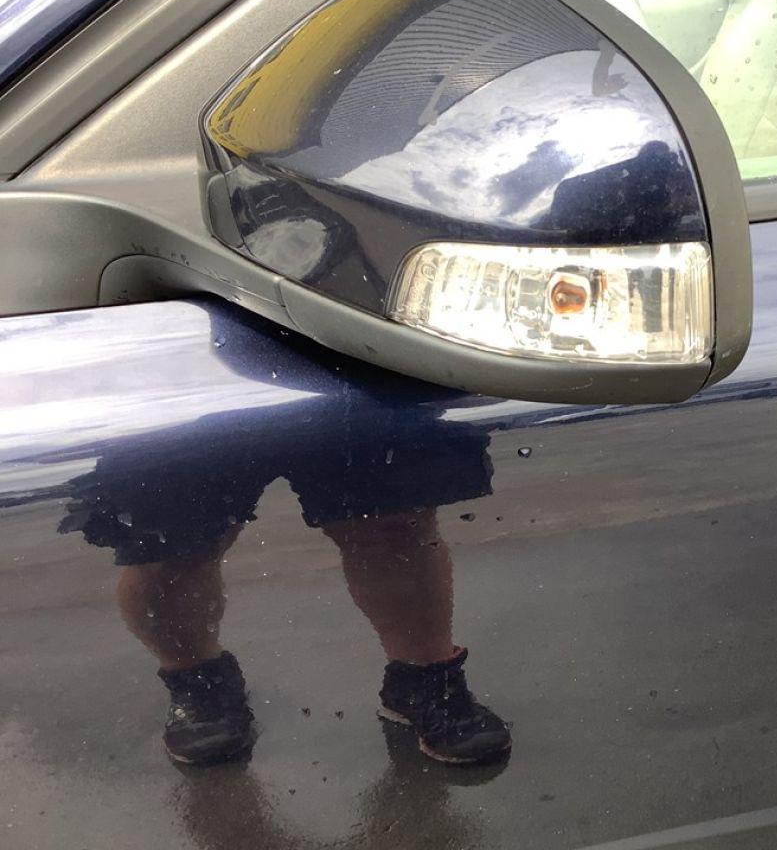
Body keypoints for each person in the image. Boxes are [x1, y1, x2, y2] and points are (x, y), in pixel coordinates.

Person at [50, 303, 512, 767]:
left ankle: (425, 681)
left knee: (393, 524)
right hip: (172, 342)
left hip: (339, 325)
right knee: (169, 547)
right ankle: (199, 685)